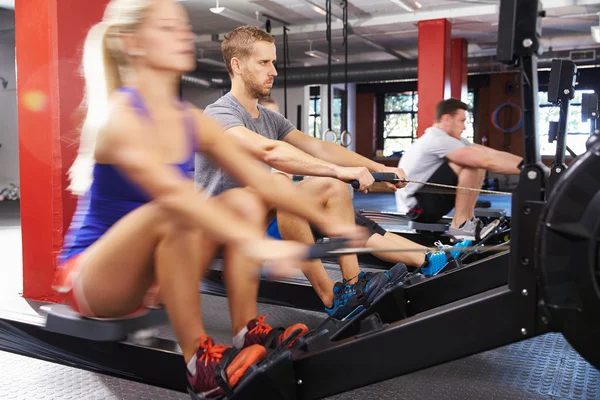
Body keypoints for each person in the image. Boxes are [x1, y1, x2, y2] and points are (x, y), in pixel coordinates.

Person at [53, 0, 366, 397]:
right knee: (175, 207)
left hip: (160, 270)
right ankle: (198, 362)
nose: (184, 35)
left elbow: (264, 180)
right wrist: (256, 244)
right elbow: (176, 197)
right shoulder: (119, 116)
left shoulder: (191, 119)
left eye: (182, 28)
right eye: (167, 28)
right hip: (98, 281)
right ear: (132, 43)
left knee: (245, 198)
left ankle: (245, 329)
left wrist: (339, 226)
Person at [195, 25, 471, 322]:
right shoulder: (219, 113)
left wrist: (379, 169)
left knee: (330, 188)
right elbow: (268, 152)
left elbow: (319, 147)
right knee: (282, 185)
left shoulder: (269, 118)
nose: (273, 70)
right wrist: (340, 170)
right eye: (264, 63)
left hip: (262, 219)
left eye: (273, 62)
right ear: (237, 65)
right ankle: (329, 295)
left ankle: (352, 289)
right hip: (221, 227)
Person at [396, 98, 522, 240]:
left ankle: (467, 221)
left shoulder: (451, 140)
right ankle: (460, 225)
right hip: (416, 208)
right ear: (447, 119)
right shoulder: (436, 139)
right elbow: (487, 161)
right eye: (462, 121)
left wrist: (533, 166)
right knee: (472, 162)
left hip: (427, 200)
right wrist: (530, 172)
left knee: (475, 159)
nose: (464, 127)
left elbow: (490, 153)